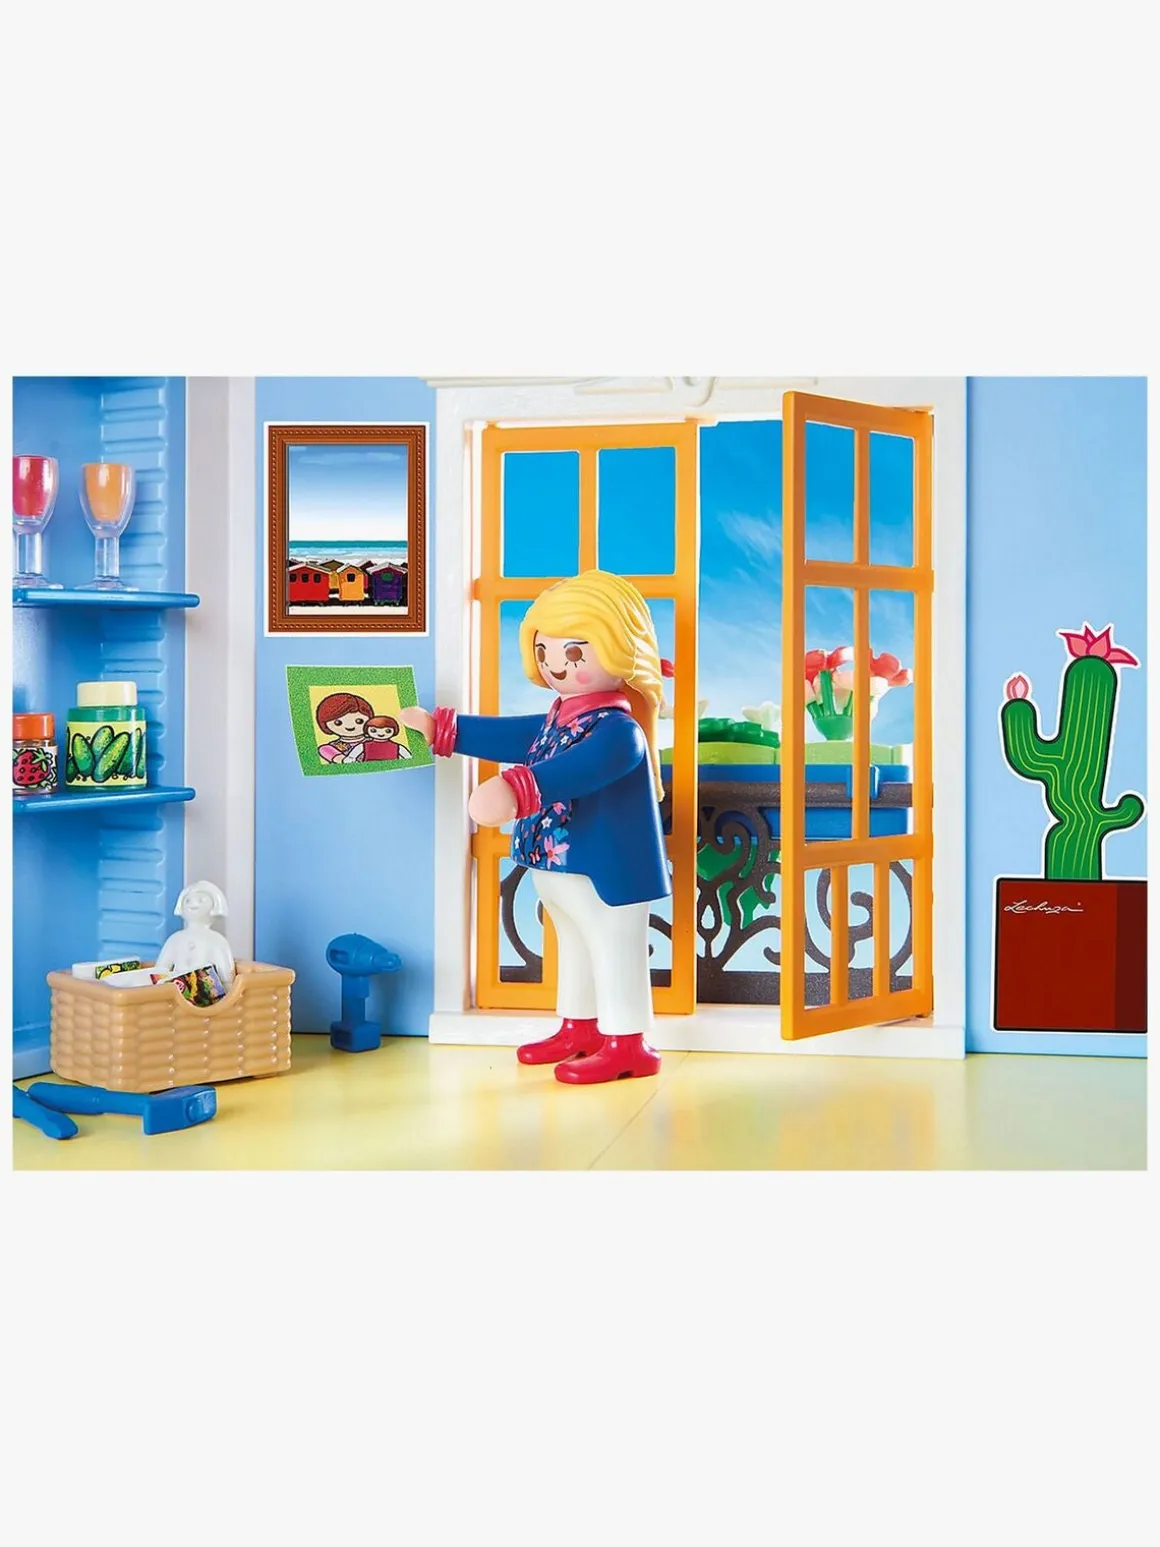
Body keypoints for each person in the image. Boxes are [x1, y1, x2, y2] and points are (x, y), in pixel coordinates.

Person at [401, 570, 669, 1084]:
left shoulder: (620, 732)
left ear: (620, 651)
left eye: (574, 653)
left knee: (614, 951)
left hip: (606, 874)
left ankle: (629, 1043)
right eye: (544, 652)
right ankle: (579, 1027)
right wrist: (445, 730)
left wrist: (516, 789)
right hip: (559, 867)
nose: (555, 665)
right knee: (574, 948)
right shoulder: (558, 720)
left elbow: (578, 770)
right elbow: (511, 734)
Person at [316, 692, 373, 763]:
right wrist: (342, 759)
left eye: (359, 721)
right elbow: (325, 751)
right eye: (338, 723)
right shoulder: (331, 747)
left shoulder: (372, 741)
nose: (350, 726)